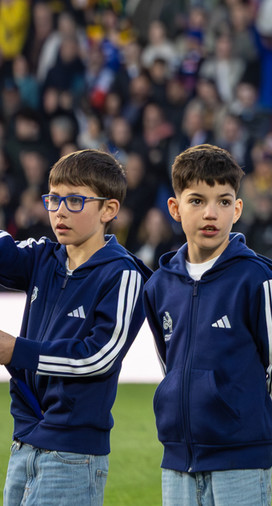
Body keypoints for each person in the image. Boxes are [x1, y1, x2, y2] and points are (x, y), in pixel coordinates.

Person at [143, 144, 272, 506]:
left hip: (241, 462)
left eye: (224, 201)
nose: (211, 213)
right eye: (197, 201)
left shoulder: (259, 280)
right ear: (175, 208)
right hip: (178, 461)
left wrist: (256, 436)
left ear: (238, 208)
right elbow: (171, 364)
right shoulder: (159, 286)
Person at [0, 149, 147, 506]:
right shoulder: (42, 257)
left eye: (76, 200)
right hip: (24, 442)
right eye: (53, 199)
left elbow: (98, 357)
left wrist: (16, 350)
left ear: (108, 210)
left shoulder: (124, 275)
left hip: (73, 454)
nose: (60, 211)